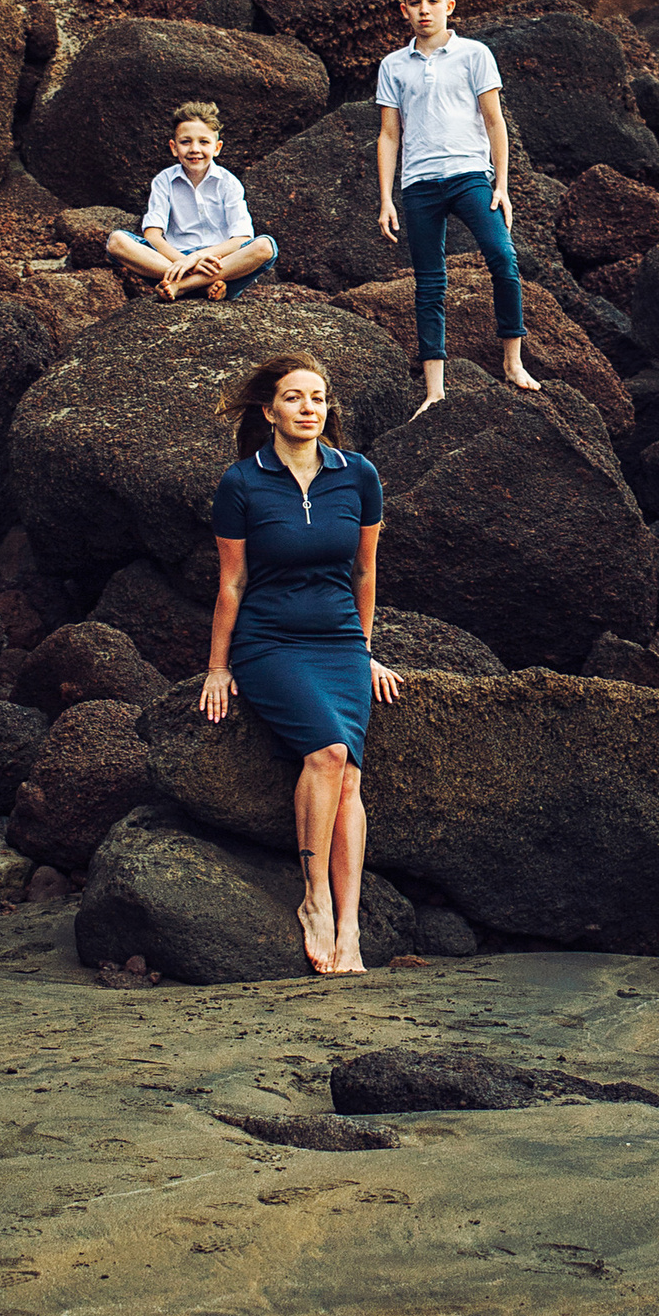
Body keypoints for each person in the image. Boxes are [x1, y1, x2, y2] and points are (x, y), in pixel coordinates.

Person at [199, 352, 403, 973]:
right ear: (270, 411)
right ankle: (314, 900)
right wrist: (217, 666)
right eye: (294, 398)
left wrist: (364, 650)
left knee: (350, 782)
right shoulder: (242, 482)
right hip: (270, 645)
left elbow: (365, 569)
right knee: (328, 754)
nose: (309, 408)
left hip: (340, 644)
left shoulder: (359, 475)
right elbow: (231, 583)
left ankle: (351, 925)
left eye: (318, 398)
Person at [374, 0, 539, 411]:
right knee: (429, 284)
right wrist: (386, 198)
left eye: (432, 1)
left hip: (470, 176)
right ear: (403, 9)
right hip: (419, 184)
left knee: (503, 259)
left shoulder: (474, 54)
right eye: (414, 2)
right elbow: (389, 134)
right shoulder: (394, 66)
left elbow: (494, 122)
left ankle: (513, 362)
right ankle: (435, 390)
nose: (423, 10)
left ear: (449, 6)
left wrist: (501, 184)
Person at [107, 100, 279, 299]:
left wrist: (197, 257)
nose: (194, 149)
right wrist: (186, 262)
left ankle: (182, 287)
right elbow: (153, 235)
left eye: (204, 142)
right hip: (172, 260)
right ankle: (204, 286)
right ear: (173, 147)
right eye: (185, 142)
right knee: (117, 242)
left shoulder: (229, 182)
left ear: (217, 147)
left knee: (266, 247)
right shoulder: (164, 181)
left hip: (220, 262)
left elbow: (242, 238)